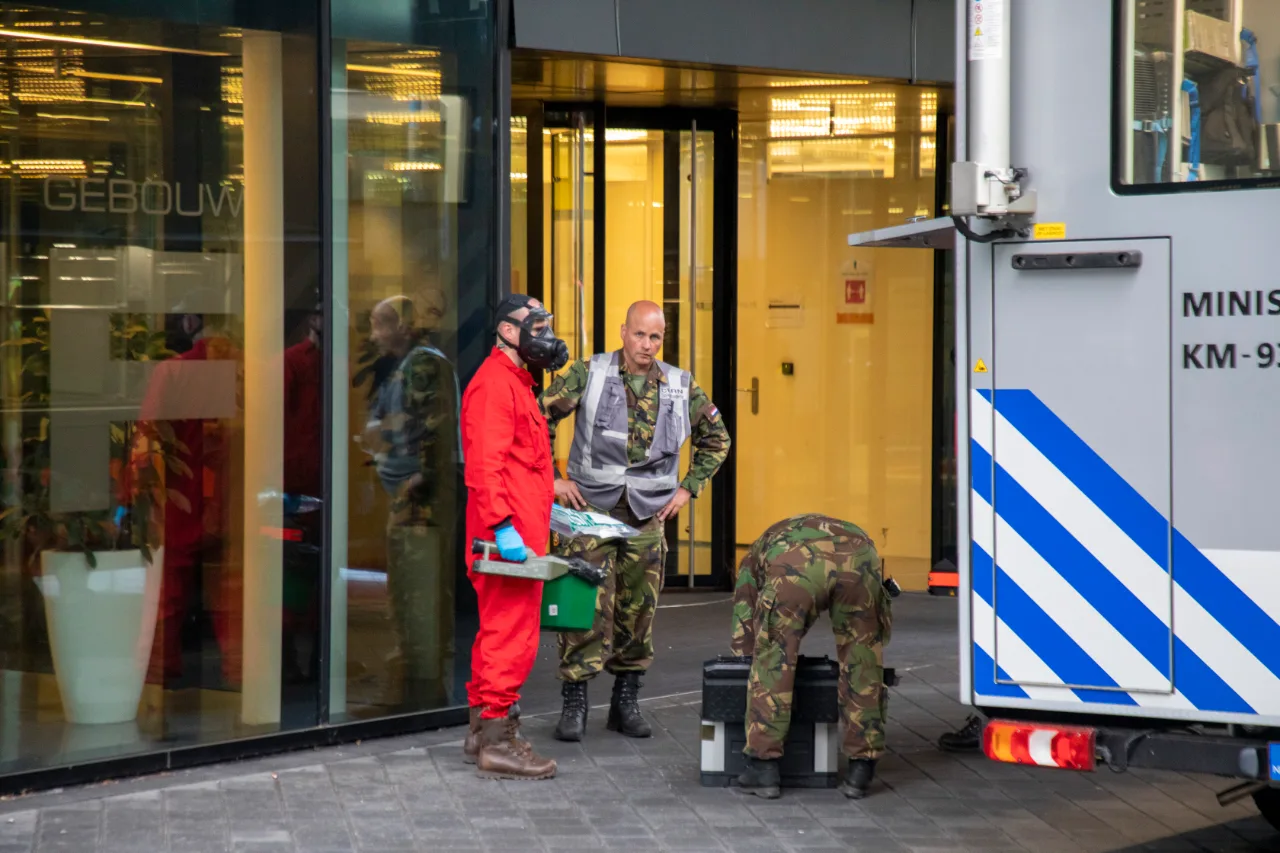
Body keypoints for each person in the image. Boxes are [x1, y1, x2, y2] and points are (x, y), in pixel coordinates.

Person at [540, 300, 729, 742]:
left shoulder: (681, 385)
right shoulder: (590, 372)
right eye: (640, 335)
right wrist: (551, 478)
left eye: (656, 337)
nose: (647, 345)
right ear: (623, 332)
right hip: (589, 514)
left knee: (637, 612)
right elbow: (537, 416)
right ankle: (575, 701)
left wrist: (688, 489)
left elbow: (717, 439)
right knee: (582, 608)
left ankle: (626, 701)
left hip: (646, 517)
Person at [459, 293, 568, 780]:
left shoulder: (515, 382)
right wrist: (504, 529)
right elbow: (484, 466)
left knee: (495, 634)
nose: (545, 337)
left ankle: (482, 731)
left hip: (518, 533)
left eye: (547, 327)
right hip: (507, 539)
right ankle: (498, 742)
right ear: (507, 331)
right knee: (510, 636)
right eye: (536, 327)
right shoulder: (495, 386)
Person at [731, 514, 893, 800]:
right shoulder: (818, 528)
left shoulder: (754, 556)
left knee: (774, 658)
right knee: (862, 659)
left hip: (796, 563)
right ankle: (862, 769)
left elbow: (745, 621)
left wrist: (745, 660)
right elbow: (879, 634)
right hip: (859, 554)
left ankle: (763, 767)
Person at [362, 293, 461, 710]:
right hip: (410, 494)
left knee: (416, 590)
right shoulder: (405, 366)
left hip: (420, 499)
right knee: (412, 587)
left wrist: (419, 482)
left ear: (402, 326)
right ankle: (417, 677)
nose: (373, 334)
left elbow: (436, 429)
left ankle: (420, 685)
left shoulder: (422, 364)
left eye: (379, 324)